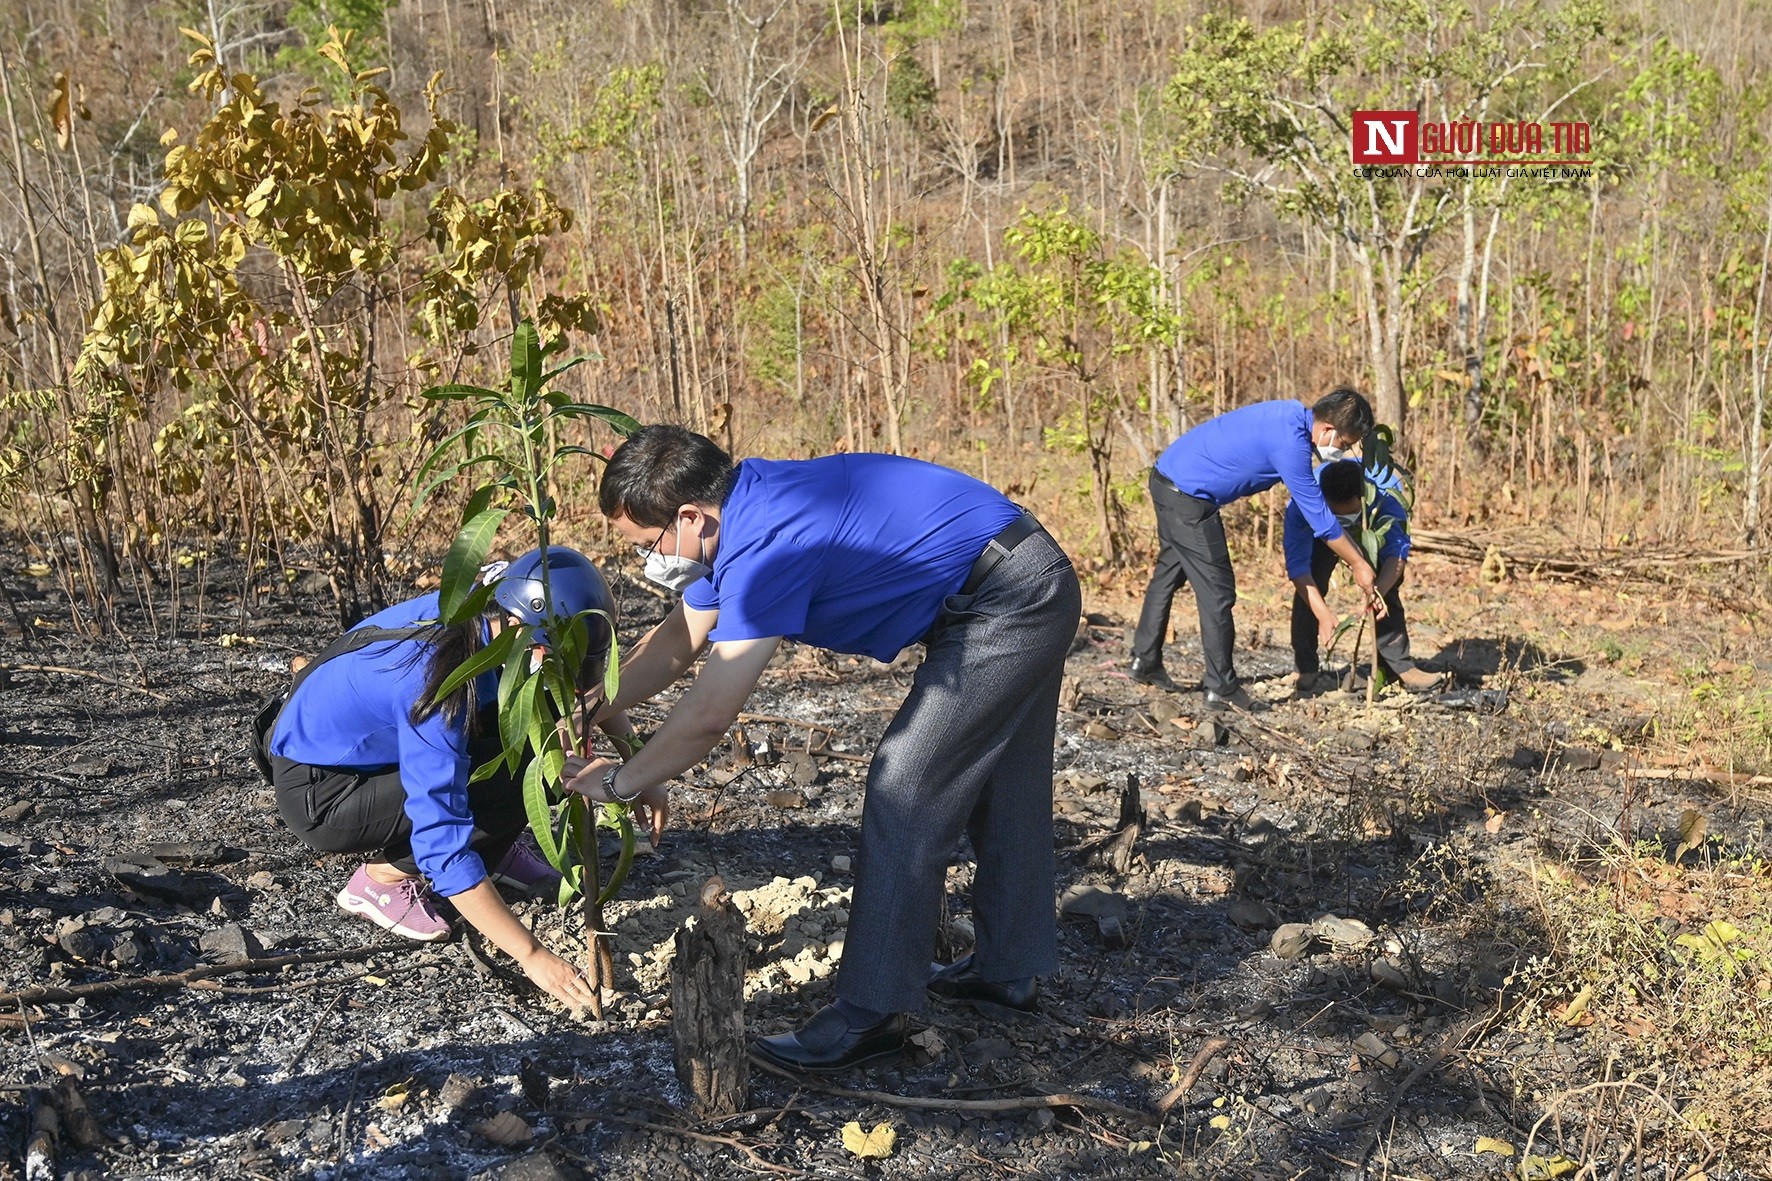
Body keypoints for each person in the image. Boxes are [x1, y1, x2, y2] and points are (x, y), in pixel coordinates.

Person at [563, 425, 1080, 1072]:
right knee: (1003, 781)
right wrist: (586, 708)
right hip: (1016, 577)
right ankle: (1008, 972)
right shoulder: (741, 511)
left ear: (691, 514)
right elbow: (675, 644)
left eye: (650, 543)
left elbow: (710, 714)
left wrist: (622, 780)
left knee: (905, 783)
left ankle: (873, 1014)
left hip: (1012, 597)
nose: (650, 560)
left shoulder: (768, 541)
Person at [265, 546, 632, 1011]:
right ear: (526, 634)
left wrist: (634, 760)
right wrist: (533, 955)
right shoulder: (440, 685)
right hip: (326, 791)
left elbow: (584, 694)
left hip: (380, 750)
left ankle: (494, 851)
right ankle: (381, 879)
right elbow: (442, 838)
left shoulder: (498, 601)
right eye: (554, 658)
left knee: (538, 752)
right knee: (527, 771)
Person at [1128, 387, 1387, 710]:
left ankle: (1145, 660)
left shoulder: (1291, 414)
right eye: (1345, 445)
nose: (1343, 452)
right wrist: (1360, 563)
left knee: (1169, 573)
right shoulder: (1291, 445)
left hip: (1168, 478)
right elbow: (1320, 519)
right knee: (1218, 592)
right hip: (1188, 498)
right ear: (1328, 430)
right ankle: (1221, 688)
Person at [1286, 459, 1444, 694]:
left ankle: (1398, 666)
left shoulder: (1386, 494)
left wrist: (1376, 591)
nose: (1345, 522)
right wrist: (1323, 614)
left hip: (1371, 526)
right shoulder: (1303, 502)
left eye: (1349, 515)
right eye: (1338, 516)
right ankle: (1305, 666)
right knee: (1312, 582)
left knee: (1385, 588)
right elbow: (1298, 567)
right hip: (1320, 532)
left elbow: (1396, 553)